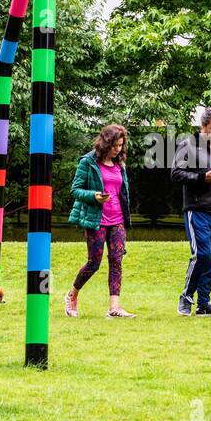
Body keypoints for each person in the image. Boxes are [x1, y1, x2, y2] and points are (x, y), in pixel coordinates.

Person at [66, 124, 135, 318]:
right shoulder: (88, 162)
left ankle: (114, 307)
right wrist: (94, 196)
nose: (118, 149)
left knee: (116, 261)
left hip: (118, 220)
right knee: (94, 263)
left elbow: (123, 192)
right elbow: (75, 190)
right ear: (105, 143)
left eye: (121, 145)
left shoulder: (120, 164)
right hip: (97, 219)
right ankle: (72, 295)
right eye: (115, 145)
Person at [171, 107, 211, 317]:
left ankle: (204, 304)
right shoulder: (187, 145)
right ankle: (186, 297)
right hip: (197, 210)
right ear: (203, 126)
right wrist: (202, 178)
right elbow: (176, 173)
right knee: (202, 255)